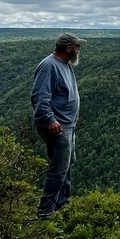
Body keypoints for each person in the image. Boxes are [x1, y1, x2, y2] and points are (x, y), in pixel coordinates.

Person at [31, 33, 87, 219]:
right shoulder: (49, 66)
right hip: (58, 126)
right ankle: (46, 211)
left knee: (67, 164)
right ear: (69, 48)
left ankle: (63, 204)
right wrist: (50, 120)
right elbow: (40, 98)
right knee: (59, 168)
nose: (80, 50)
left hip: (67, 124)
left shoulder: (65, 65)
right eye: (78, 46)